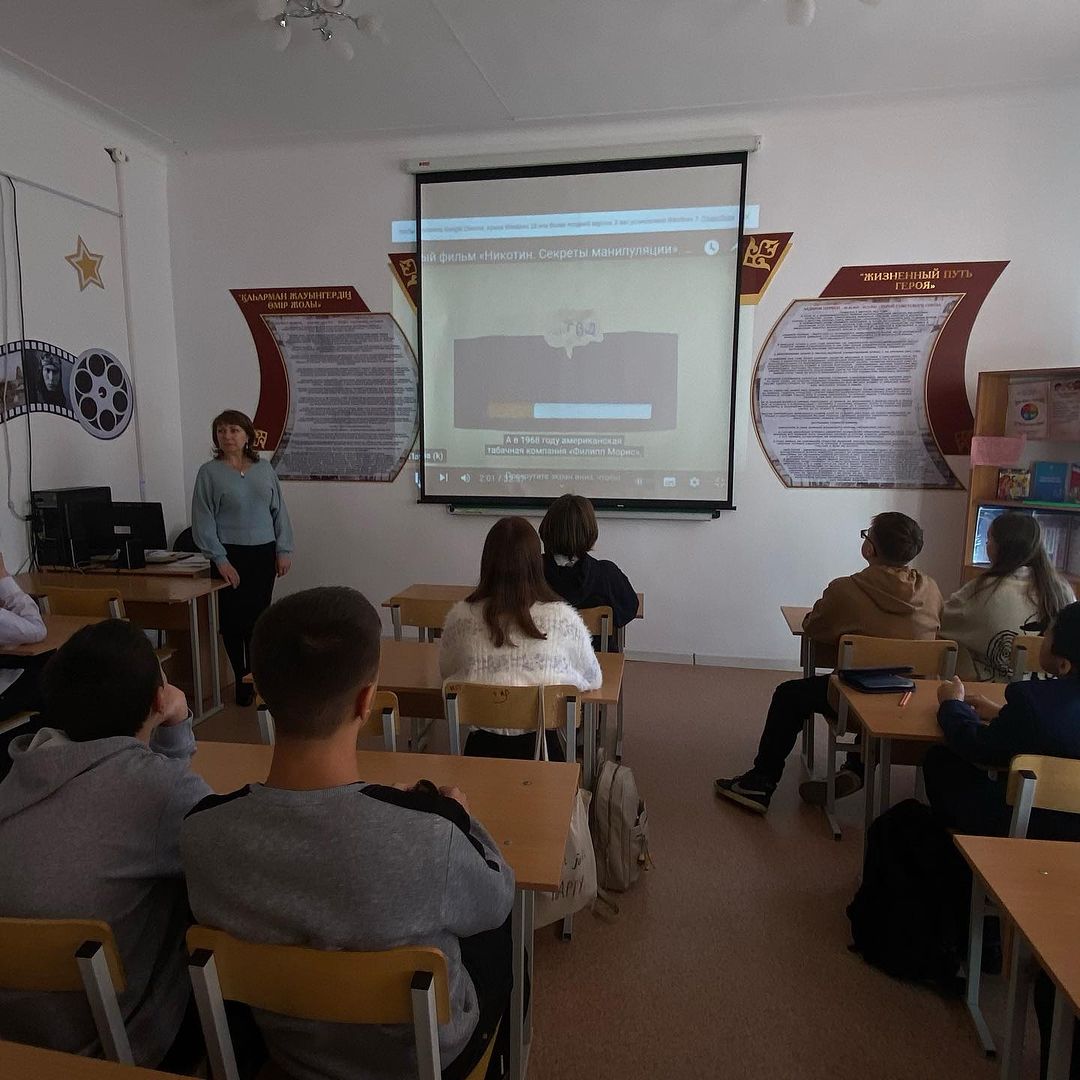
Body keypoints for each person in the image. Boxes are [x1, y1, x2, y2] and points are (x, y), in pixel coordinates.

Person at [182, 587, 516, 1080]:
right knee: (499, 926)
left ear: (262, 694)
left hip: (291, 1054)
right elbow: (499, 895)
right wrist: (458, 817)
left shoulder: (200, 835)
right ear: (366, 700)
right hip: (426, 1060)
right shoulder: (431, 836)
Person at [0, 620, 210, 1069]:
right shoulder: (163, 793)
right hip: (114, 1046)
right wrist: (177, 726)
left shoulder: (19, 772)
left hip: (13, 1043)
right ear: (159, 700)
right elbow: (203, 835)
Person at [714, 512, 943, 813]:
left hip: (855, 702)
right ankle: (857, 767)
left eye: (867, 535)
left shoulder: (845, 589)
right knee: (885, 685)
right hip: (910, 702)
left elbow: (813, 628)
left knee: (788, 695)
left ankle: (760, 782)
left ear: (870, 549)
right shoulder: (931, 590)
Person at [439, 516, 602, 760]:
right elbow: (593, 678)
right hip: (543, 755)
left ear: (487, 561)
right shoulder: (562, 617)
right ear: (536, 563)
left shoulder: (460, 617)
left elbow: (446, 672)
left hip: (478, 755)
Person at [926, 600, 1080, 841]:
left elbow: (978, 747)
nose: (1042, 637)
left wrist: (952, 704)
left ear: (1063, 664)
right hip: (1072, 835)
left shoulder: (1031, 701)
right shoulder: (1038, 708)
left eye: (1047, 633)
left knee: (939, 759)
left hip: (1025, 825)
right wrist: (1002, 713)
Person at [191, 409, 293, 705]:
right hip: (229, 555)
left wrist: (284, 549)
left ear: (247, 435)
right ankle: (241, 677)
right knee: (233, 623)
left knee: (259, 620)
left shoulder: (264, 469)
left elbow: (279, 512)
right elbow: (203, 519)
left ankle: (257, 675)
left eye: (234, 430)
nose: (227, 436)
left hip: (263, 553)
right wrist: (220, 559)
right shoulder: (209, 473)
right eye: (221, 431)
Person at [940, 512, 1073, 679]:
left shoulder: (982, 590)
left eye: (989, 540)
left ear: (1001, 547)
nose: (986, 545)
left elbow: (940, 621)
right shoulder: (1062, 590)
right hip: (1051, 690)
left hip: (992, 690)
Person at [538, 493, 638, 643]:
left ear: (547, 527)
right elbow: (629, 610)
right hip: (596, 656)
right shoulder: (607, 575)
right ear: (590, 531)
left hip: (544, 656)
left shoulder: (528, 574)